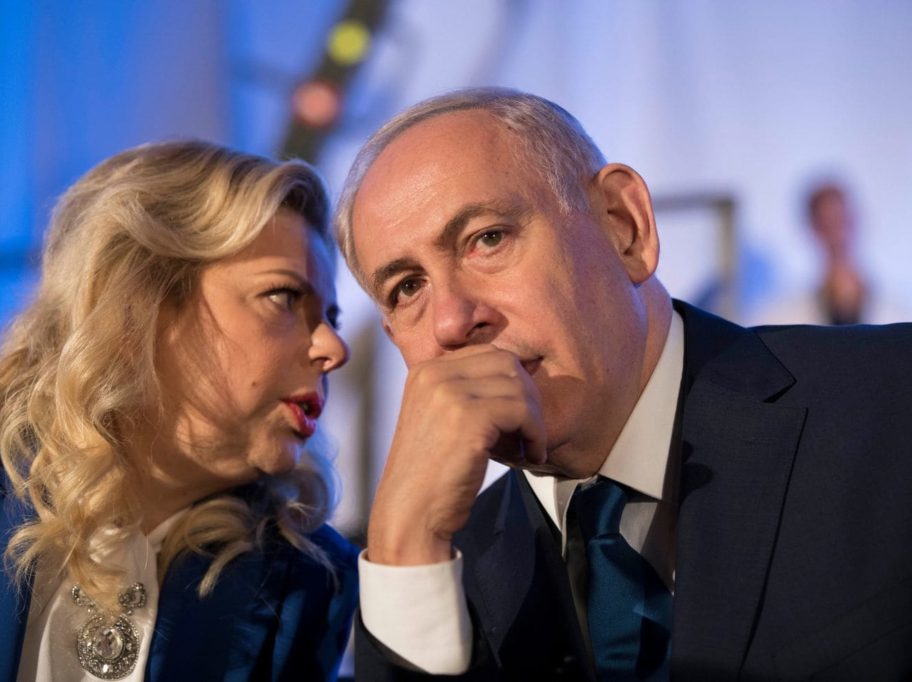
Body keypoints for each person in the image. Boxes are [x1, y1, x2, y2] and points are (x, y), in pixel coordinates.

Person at [334, 88, 912, 680]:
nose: (452, 322)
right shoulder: (431, 578)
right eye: (407, 288)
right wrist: (403, 551)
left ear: (623, 226)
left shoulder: (893, 400)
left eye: (488, 238)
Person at [0, 141, 358, 681]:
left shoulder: (301, 583)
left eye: (332, 317)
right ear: (140, 300)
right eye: (284, 297)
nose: (334, 348)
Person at [752, 180, 910, 326]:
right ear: (814, 229)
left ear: (855, 222)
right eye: (827, 224)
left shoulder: (898, 314)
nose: (838, 235)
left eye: (842, 221)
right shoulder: (782, 317)